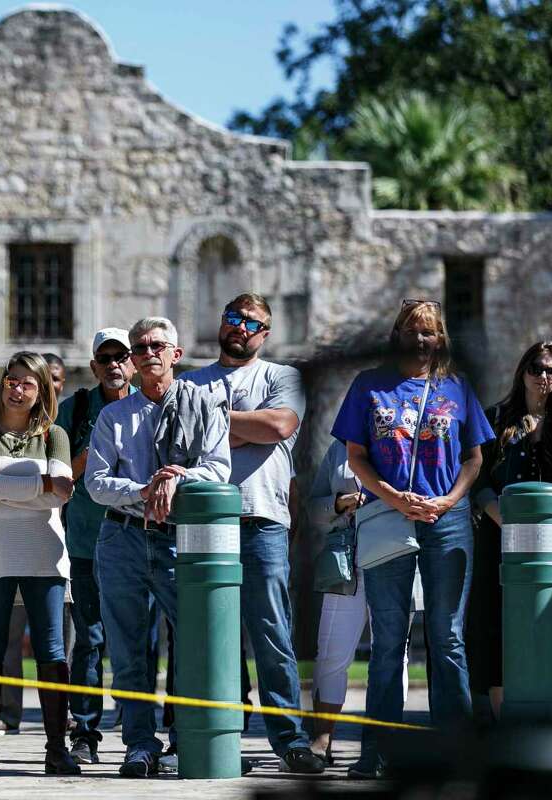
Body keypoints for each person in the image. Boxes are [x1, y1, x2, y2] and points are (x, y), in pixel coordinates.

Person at [331, 299, 492, 779]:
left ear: (440, 338)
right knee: (388, 640)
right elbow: (356, 455)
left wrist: (448, 500)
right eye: (411, 330)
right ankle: (376, 753)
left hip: (447, 520)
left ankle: (456, 754)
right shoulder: (368, 385)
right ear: (396, 334)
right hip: (387, 515)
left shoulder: (457, 387)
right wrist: (390, 495)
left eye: (429, 332)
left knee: (447, 638)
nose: (419, 339)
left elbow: (475, 458)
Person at [180, 293, 322, 773]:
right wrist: (245, 428)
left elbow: (280, 425)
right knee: (206, 633)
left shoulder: (282, 377)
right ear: (221, 323)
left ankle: (289, 739)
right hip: (203, 522)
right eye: (234, 318)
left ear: (265, 334)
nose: (241, 327)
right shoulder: (191, 381)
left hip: (261, 518)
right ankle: (213, 735)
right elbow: (181, 440)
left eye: (252, 323)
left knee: (271, 631)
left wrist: (215, 423)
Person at [85, 317, 231, 778]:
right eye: (139, 348)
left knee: (191, 645)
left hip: (180, 540)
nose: (147, 353)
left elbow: (218, 469)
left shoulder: (204, 404)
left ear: (176, 353)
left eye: (156, 346)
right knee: (128, 651)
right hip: (122, 536)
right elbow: (97, 484)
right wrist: (146, 488)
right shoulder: (113, 417)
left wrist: (178, 476)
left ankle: (184, 739)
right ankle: (138, 746)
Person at [0, 351, 78, 776]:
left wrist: (8, 486)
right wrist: (38, 483)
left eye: (27, 382)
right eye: (11, 379)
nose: (17, 388)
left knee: (52, 652)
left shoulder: (55, 435)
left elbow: (61, 492)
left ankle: (57, 749)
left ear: (42, 389)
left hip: (44, 552)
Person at [469, 342, 552, 717]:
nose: (544, 377)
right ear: (522, 372)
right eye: (536, 368)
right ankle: (508, 720)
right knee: (498, 619)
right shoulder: (496, 418)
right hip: (500, 536)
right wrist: (500, 514)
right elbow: (478, 479)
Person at [54, 328, 136, 765]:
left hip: (138, 538)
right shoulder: (77, 409)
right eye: (104, 358)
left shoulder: (150, 405)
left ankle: (142, 731)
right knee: (88, 639)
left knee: (139, 639)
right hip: (86, 539)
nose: (113, 364)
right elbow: (59, 472)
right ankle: (84, 731)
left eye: (120, 355)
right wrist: (95, 447)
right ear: (94, 365)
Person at [307, 439, 365, 764]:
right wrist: (341, 503)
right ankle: (322, 738)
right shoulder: (339, 447)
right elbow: (314, 508)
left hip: (395, 554)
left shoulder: (405, 430)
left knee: (393, 654)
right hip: (347, 560)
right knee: (331, 653)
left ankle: (381, 743)